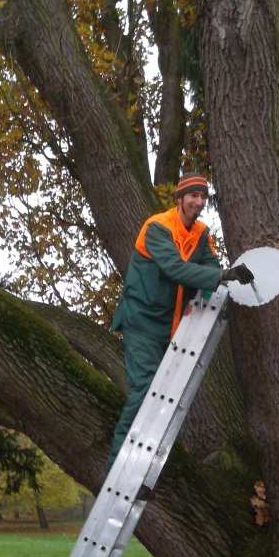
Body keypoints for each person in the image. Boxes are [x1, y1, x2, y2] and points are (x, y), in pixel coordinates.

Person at [107, 174, 254, 496]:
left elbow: (210, 270)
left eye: (203, 197)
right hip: (142, 322)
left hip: (170, 327)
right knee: (145, 389)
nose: (199, 203)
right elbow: (174, 269)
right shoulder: (158, 227)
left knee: (164, 400)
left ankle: (140, 471)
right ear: (180, 198)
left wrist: (232, 284)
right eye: (193, 196)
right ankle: (117, 469)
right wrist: (220, 274)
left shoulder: (201, 234)